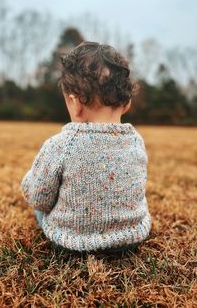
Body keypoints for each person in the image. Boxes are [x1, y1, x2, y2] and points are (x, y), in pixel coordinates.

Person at [20, 41, 151, 256]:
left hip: (74, 242)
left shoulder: (61, 144)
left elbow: (40, 198)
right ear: (126, 103)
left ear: (75, 103)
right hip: (131, 237)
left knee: (37, 207)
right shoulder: (136, 140)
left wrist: (29, 180)